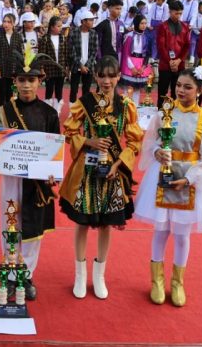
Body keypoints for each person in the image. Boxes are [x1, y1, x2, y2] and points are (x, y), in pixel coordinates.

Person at [134, 67, 202, 307]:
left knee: (182, 234)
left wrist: (191, 177)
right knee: (161, 230)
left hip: (190, 180)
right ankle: (156, 281)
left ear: (200, 91)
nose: (181, 90)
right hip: (162, 176)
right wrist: (157, 151)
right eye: (179, 86)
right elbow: (150, 141)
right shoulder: (163, 113)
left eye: (188, 87)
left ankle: (177, 282)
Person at [59, 56, 143, 300]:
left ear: (119, 76)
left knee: (107, 224)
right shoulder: (84, 103)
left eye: (111, 75)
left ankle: (100, 274)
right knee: (82, 223)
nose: (107, 81)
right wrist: (88, 141)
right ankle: (79, 272)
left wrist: (119, 163)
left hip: (112, 174)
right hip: (87, 170)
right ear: (95, 77)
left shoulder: (127, 105)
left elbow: (135, 140)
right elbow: (70, 131)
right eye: (102, 76)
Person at [0, 57, 60, 301]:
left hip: (37, 181)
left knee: (32, 225)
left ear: (40, 81)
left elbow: (55, 149)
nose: (26, 85)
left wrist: (53, 173)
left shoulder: (49, 113)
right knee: (9, 221)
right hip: (11, 178)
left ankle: (26, 273)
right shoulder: (5, 111)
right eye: (21, 80)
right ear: (14, 82)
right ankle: (9, 272)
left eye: (31, 80)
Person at [156, 0, 190, 107]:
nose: (178, 16)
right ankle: (160, 115)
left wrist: (179, 60)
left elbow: (187, 46)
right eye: (176, 13)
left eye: (180, 13)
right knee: (162, 92)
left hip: (180, 65)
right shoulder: (163, 26)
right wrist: (170, 61)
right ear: (170, 12)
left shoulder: (185, 27)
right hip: (165, 65)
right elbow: (161, 46)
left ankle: (177, 114)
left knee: (179, 92)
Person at [0, 13, 24, 112]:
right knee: (2, 92)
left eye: (9, 22)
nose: (6, 24)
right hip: (2, 69)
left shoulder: (18, 36)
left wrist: (21, 68)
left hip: (14, 69)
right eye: (4, 21)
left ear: (14, 23)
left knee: (12, 93)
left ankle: (11, 114)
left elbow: (21, 53)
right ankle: (0, 116)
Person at [38, 16, 69, 114]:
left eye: (61, 26)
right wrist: (42, 69)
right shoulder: (45, 39)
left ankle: (57, 111)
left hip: (61, 69)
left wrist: (67, 68)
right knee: (49, 89)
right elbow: (42, 55)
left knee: (59, 90)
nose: (60, 28)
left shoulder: (63, 38)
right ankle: (48, 111)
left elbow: (66, 53)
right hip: (49, 69)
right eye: (58, 26)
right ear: (51, 27)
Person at [121, 15, 153, 104]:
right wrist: (132, 68)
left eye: (145, 23)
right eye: (142, 23)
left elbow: (147, 54)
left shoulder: (147, 37)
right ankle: (126, 111)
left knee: (137, 91)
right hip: (129, 65)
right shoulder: (129, 36)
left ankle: (135, 110)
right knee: (128, 91)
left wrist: (143, 67)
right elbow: (126, 53)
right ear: (136, 23)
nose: (144, 25)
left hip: (141, 65)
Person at [68, 11, 98, 103]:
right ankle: (72, 111)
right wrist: (81, 66)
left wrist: (87, 66)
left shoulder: (94, 33)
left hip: (88, 66)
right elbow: (71, 52)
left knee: (86, 90)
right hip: (76, 66)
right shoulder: (73, 33)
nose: (93, 22)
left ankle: (84, 111)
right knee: (73, 89)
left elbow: (94, 51)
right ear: (83, 21)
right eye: (91, 20)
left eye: (93, 20)